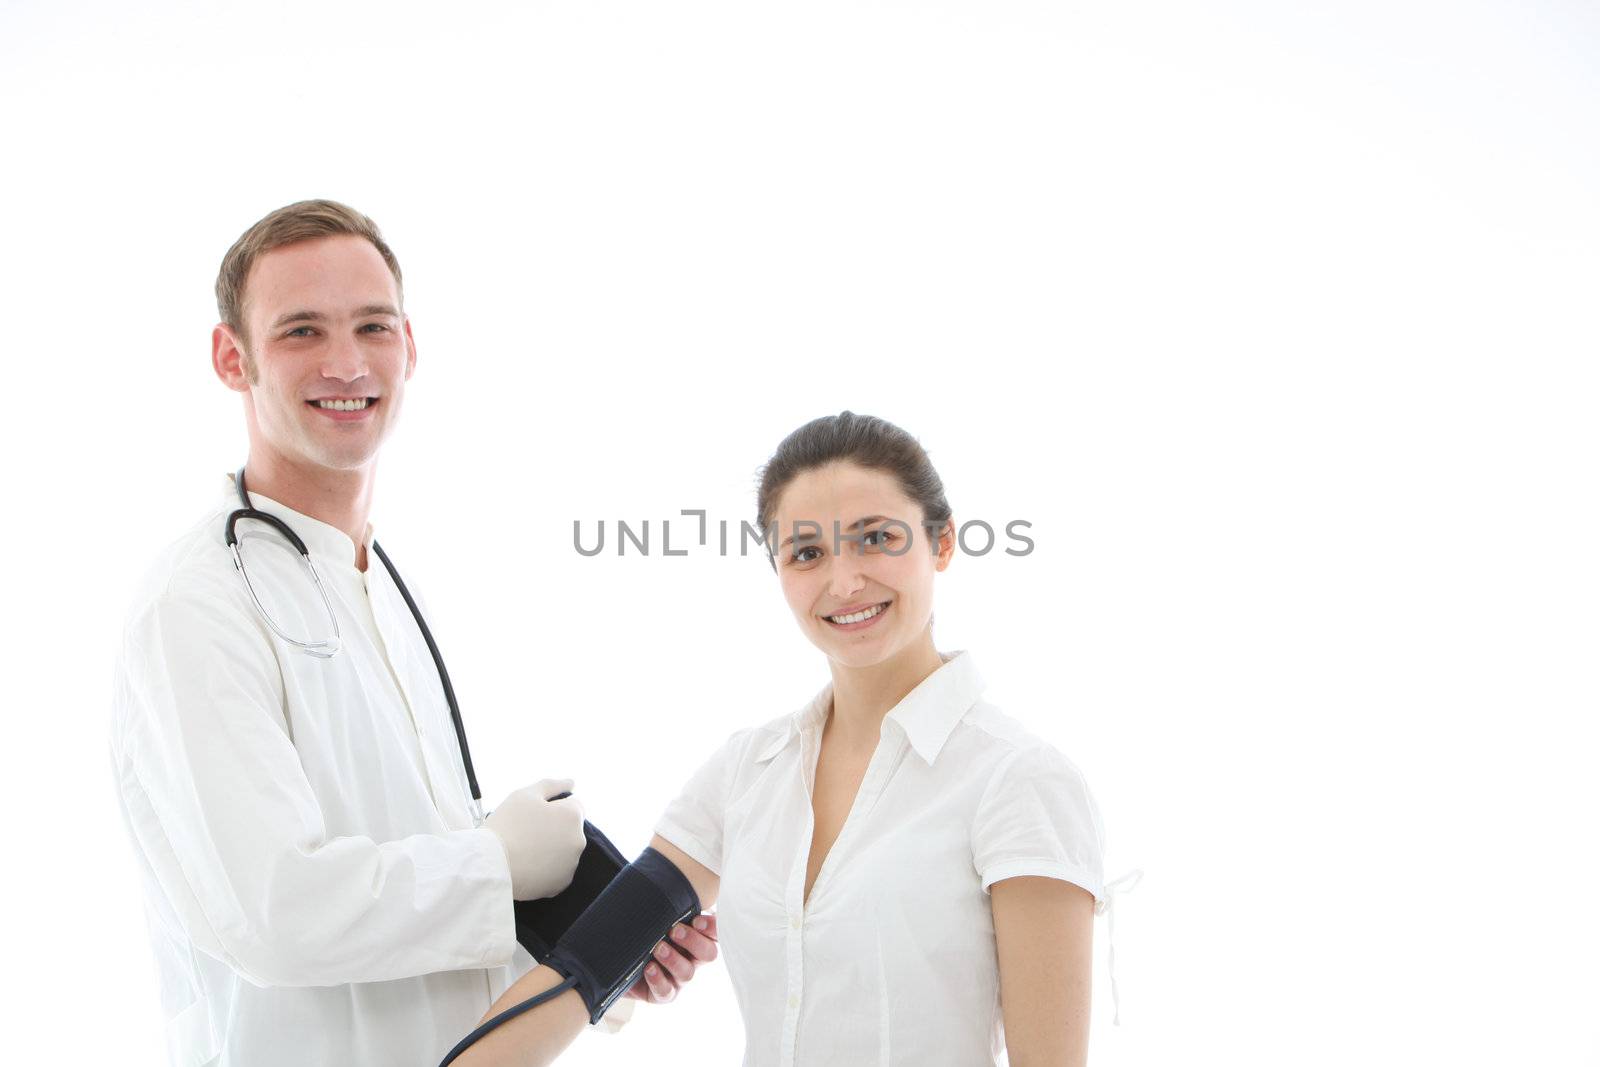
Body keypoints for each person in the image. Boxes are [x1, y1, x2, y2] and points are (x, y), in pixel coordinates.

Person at [109, 199, 715, 1067]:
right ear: (230, 358)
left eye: (372, 326)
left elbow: (417, 916)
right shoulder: (197, 603)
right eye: (302, 331)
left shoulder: (381, 582)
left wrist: (597, 949)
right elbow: (278, 912)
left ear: (411, 346)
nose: (347, 362)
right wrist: (498, 866)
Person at [456, 411, 1135, 1067]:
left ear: (942, 542)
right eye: (807, 551)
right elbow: (585, 967)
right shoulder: (748, 769)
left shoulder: (1019, 781)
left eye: (876, 538)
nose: (844, 580)